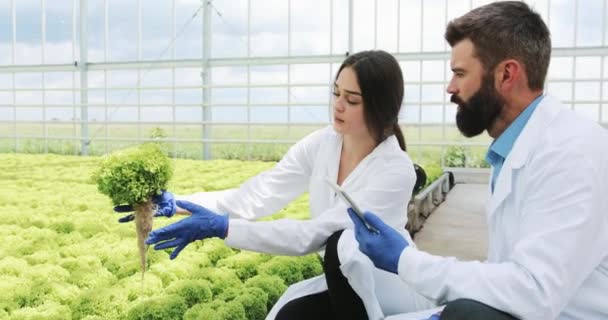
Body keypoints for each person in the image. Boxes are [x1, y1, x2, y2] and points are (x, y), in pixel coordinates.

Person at [116, 50, 428, 319]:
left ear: (380, 107)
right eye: (336, 93)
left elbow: (315, 234)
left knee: (338, 245)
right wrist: (179, 203)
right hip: (341, 283)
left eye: (352, 99)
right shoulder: (323, 144)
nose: (338, 105)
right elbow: (261, 193)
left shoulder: (395, 171)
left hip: (386, 291)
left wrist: (223, 228)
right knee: (290, 314)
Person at [348, 2, 608, 320]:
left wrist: (404, 260)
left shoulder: (571, 152)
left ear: (506, 75)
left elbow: (534, 291)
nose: (450, 88)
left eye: (460, 73)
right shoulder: (515, 149)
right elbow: (507, 276)